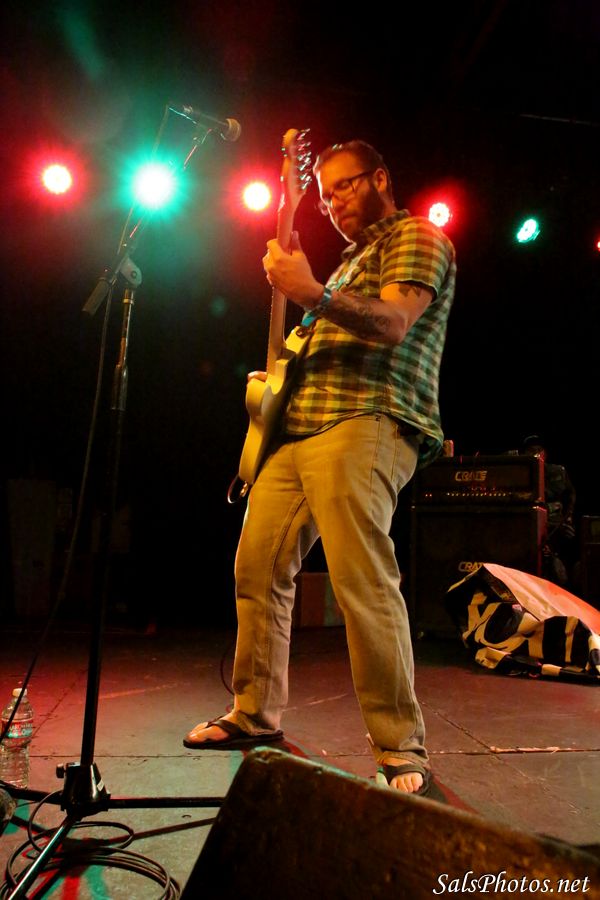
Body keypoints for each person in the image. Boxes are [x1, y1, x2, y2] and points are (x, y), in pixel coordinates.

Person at [184, 140, 457, 795]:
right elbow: (314, 334)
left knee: (362, 579)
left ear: (381, 177)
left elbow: (392, 323)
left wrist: (309, 291)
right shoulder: (345, 264)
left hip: (367, 417)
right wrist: (280, 370)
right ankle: (254, 712)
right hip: (298, 429)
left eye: (345, 186)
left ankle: (400, 748)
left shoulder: (417, 237)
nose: (333, 203)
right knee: (257, 569)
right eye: (326, 193)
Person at [520, 435, 577, 587]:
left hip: (555, 527)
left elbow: (570, 496)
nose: (535, 454)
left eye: (539, 450)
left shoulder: (558, 472)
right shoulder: (519, 473)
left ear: (545, 453)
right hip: (529, 528)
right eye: (531, 450)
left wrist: (568, 519)